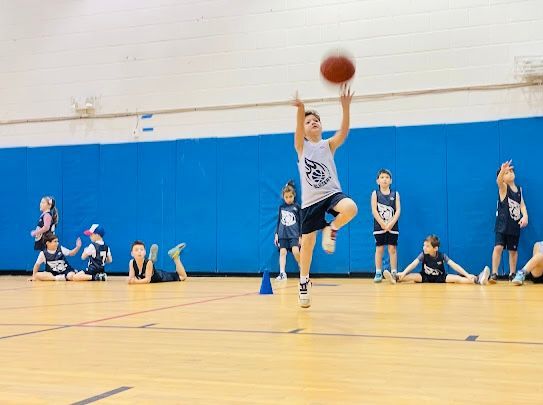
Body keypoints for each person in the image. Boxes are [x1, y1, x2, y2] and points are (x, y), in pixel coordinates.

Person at [293, 84, 358, 308]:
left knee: (351, 208)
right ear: (303, 128)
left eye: (316, 121)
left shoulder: (328, 145)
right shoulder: (301, 146)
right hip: (310, 203)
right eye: (308, 121)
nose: (313, 123)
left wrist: (345, 107)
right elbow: (300, 124)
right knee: (308, 247)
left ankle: (332, 229)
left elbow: (344, 132)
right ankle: (304, 282)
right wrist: (301, 108)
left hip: (331, 194)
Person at [384, 234, 490, 285]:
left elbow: (455, 265)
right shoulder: (423, 255)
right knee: (408, 276)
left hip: (441, 277)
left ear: (435, 248)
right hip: (425, 277)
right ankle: (395, 278)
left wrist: (467, 274)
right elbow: (413, 264)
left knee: (458, 279)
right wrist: (404, 272)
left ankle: (478, 279)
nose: (424, 248)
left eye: (427, 246)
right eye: (424, 245)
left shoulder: (442, 256)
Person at [490, 160, 528, 283]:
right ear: (502, 178)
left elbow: (522, 206)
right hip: (502, 225)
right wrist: (502, 170)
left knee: (513, 251)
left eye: (511, 171)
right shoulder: (503, 188)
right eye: (507, 172)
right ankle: (494, 273)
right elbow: (498, 181)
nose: (510, 173)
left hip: (514, 226)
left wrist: (525, 216)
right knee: (498, 248)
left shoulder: (519, 190)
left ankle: (512, 273)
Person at [371, 169, 400, 283]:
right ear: (377, 181)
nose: (384, 179)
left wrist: (391, 223)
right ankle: (378, 272)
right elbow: (374, 210)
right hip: (379, 227)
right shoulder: (375, 193)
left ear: (391, 180)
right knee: (379, 249)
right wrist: (383, 224)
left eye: (387, 177)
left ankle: (393, 272)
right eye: (382, 177)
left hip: (393, 227)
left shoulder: (395, 194)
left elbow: (398, 210)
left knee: (392, 249)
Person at [274, 180, 301, 281]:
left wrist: (300, 236)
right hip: (283, 234)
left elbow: (301, 222)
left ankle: (302, 268)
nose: (288, 199)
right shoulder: (282, 207)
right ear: (283, 197)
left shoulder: (297, 207)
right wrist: (276, 234)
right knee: (282, 252)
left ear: (294, 196)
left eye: (290, 196)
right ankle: (282, 273)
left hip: (294, 234)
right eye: (286, 197)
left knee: (295, 251)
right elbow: (278, 221)